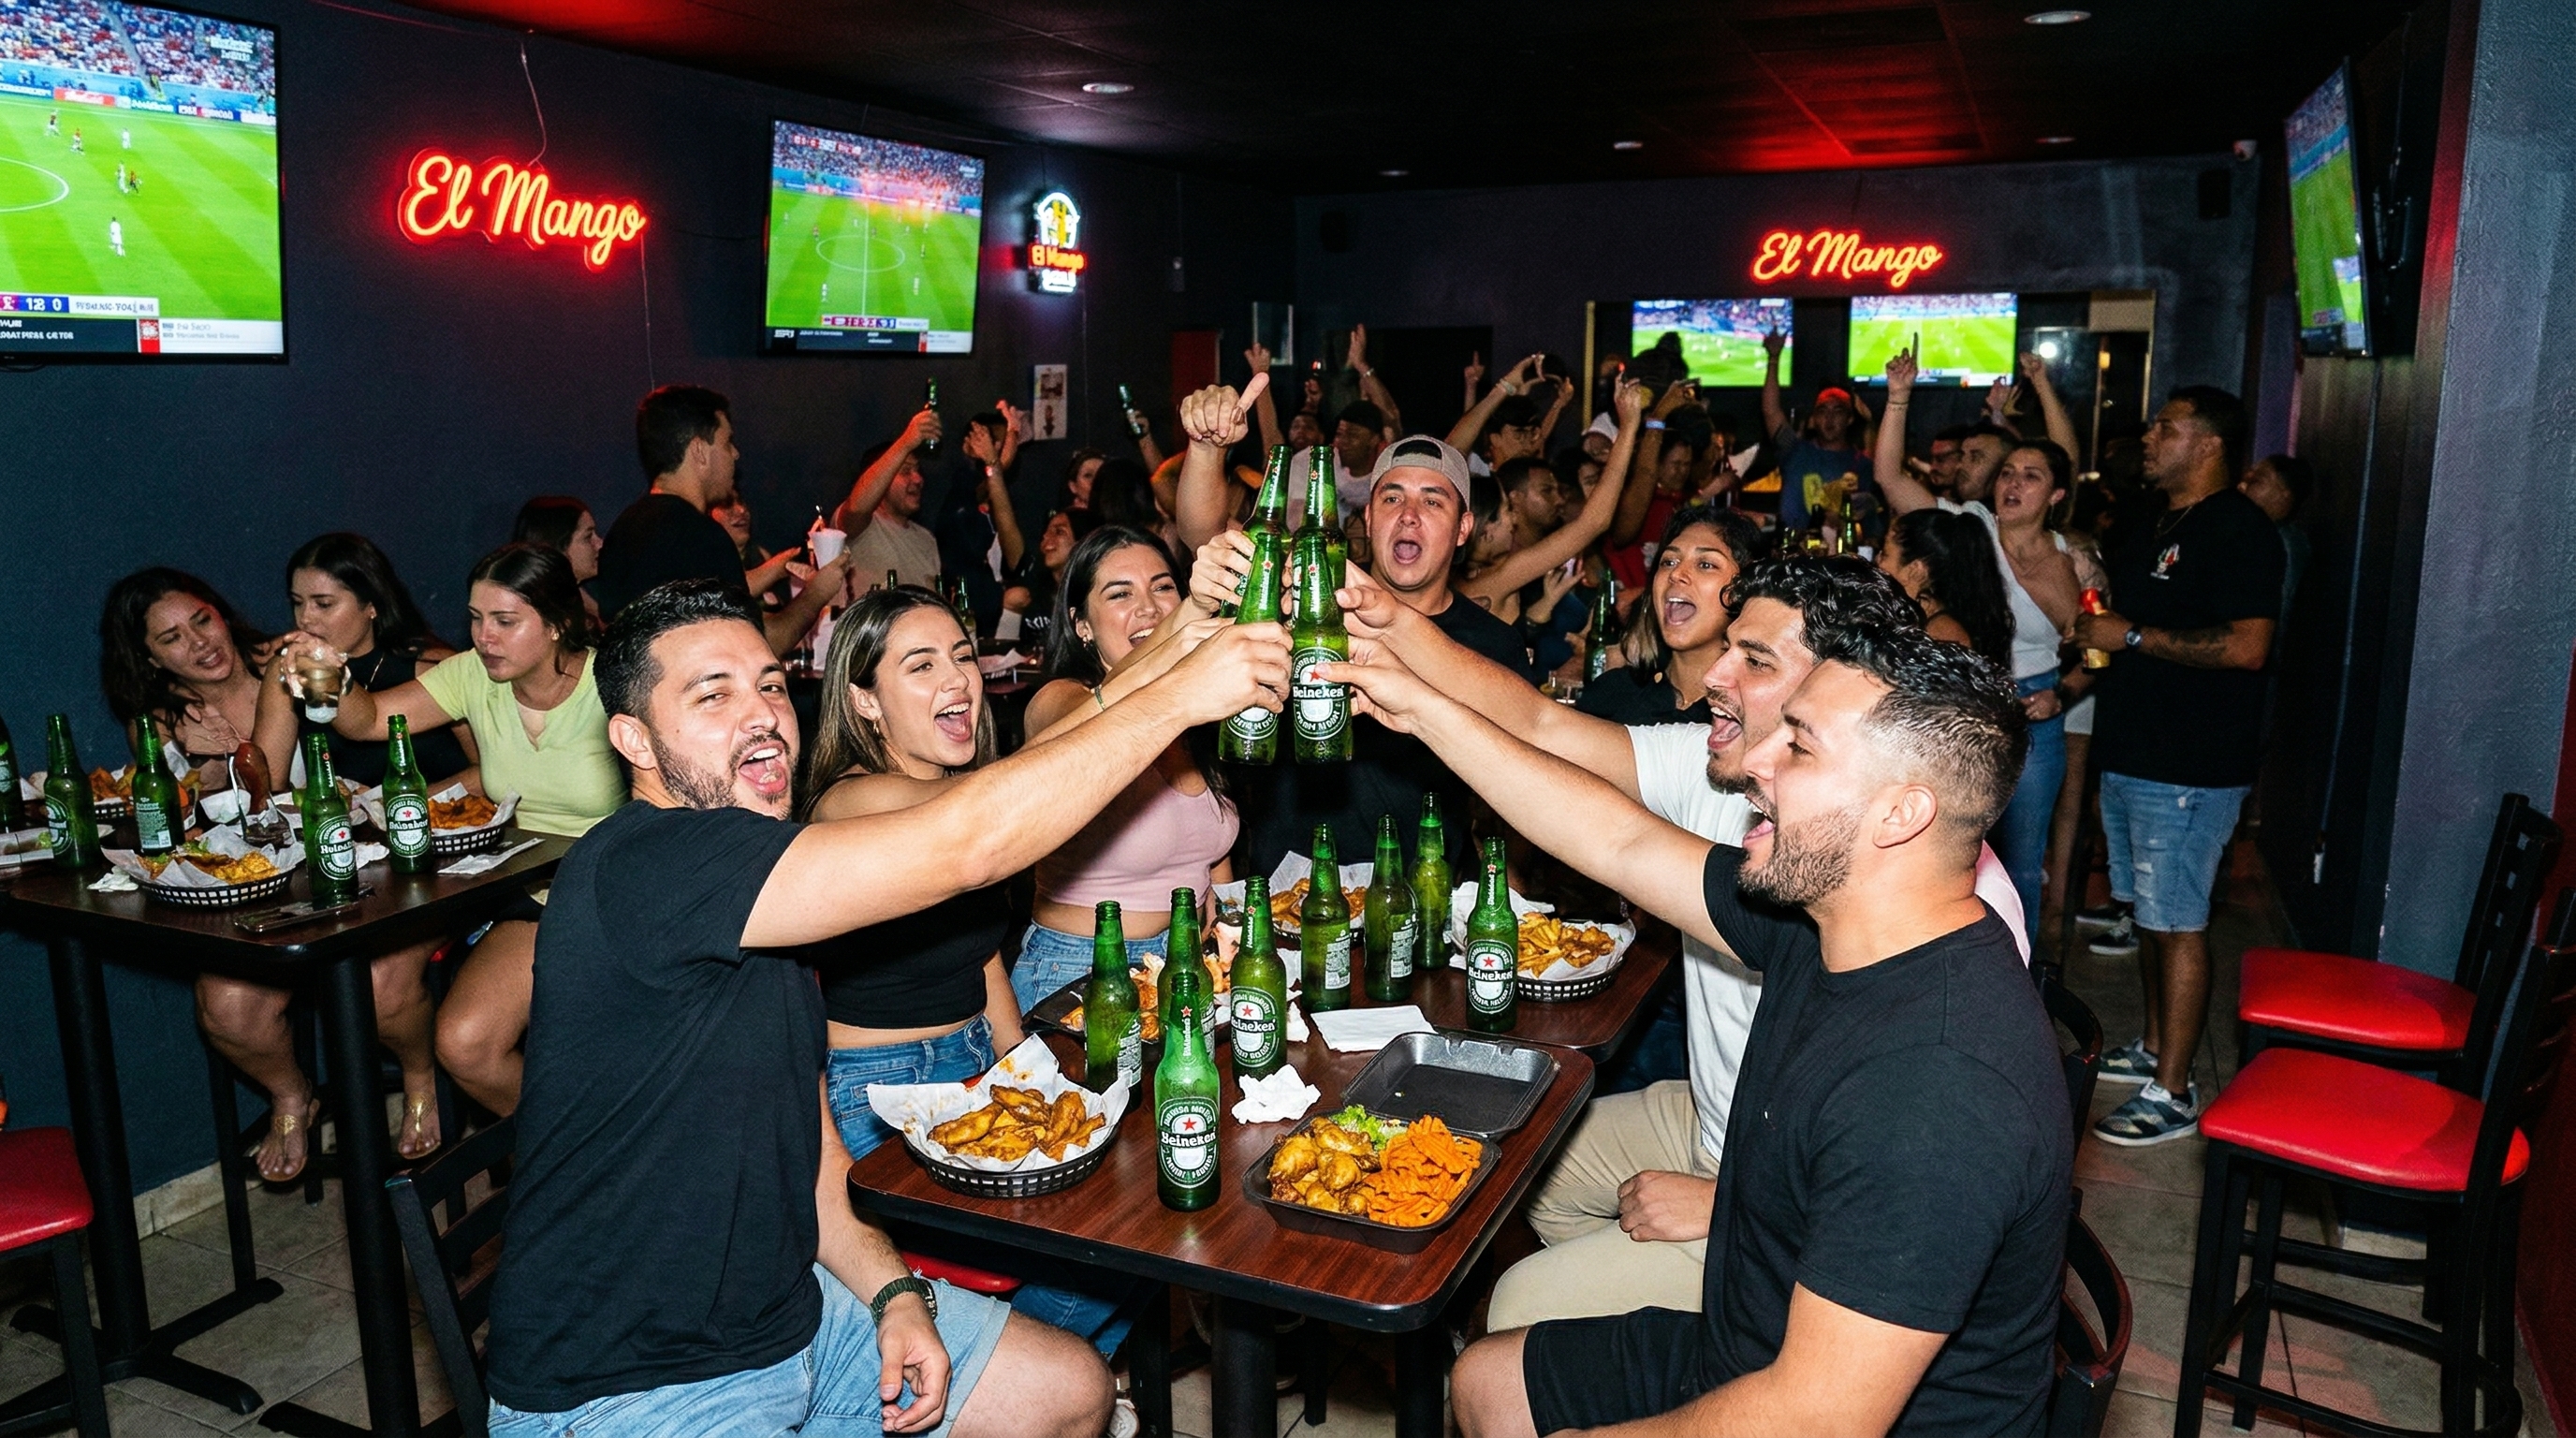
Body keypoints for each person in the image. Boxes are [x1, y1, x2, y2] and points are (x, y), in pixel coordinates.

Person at [480, 580, 1287, 1438]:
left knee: (1066, 1389)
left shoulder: (765, 875)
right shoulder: (653, 861)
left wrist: (893, 1292)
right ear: (632, 738)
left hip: (793, 1316)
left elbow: (805, 1135)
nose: (760, 714)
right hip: (631, 1384)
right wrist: (1174, 700)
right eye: (712, 695)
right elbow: (968, 842)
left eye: (768, 684)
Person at [1325, 603, 2066, 1436]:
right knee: (1488, 1380)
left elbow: (1814, 1418)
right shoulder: (1834, 921)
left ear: (1902, 814)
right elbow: (1621, 844)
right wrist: (1424, 711)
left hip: (1820, 1409)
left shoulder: (1937, 1087)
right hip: (1747, 1343)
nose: (1757, 762)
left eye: (1801, 747)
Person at [97, 570, 413, 1179]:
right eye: (171, 638)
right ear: (148, 657)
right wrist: (204, 771)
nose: (199, 643)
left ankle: (420, 1079)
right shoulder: (160, 720)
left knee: (378, 984)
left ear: (221, 612)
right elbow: (180, 821)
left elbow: (349, 735)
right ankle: (293, 1094)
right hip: (262, 891)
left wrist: (229, 758)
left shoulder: (285, 659)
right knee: (225, 1006)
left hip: (354, 868)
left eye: (201, 620)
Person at [310, 545, 628, 1116]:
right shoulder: (471, 675)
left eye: (505, 621)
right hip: (526, 890)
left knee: (606, 1044)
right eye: (477, 619)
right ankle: (569, 1151)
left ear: (557, 625)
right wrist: (329, 676)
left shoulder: (614, 682)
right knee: (465, 1045)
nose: (484, 637)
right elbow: (368, 721)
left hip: (617, 892)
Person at [1177, 384, 1529, 871]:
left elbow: (1529, 769)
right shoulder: (1304, 600)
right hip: (1291, 891)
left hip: (1424, 899)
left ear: (1464, 528)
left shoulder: (1491, 643)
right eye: (1391, 498)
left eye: (1432, 502)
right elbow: (1205, 534)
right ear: (1367, 515)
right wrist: (1206, 448)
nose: (1408, 516)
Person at [2071, 387, 2282, 1145]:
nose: (2150, 435)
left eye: (2167, 427)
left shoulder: (2240, 529)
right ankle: (2157, 1044)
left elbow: (2250, 645)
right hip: (2136, 752)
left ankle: (2175, 1091)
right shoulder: (2156, 522)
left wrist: (2131, 638)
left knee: (2180, 922)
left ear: (2209, 444)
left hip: (2193, 765)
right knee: (2151, 920)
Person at [1878, 346, 2092, 936]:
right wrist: (1899, 397)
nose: (2011, 483)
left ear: (2054, 496)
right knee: (1953, 855)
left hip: (2035, 712)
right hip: (1964, 704)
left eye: (2030, 476)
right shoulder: (1970, 525)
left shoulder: (2069, 565)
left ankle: (2016, 981)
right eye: (2007, 473)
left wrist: (2063, 695)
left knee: (2021, 862)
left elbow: (2097, 650)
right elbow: (1891, 480)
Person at [1014, 527, 1242, 1006]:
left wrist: (1228, 931)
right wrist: (1189, 616)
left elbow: (1210, 852)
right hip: (1081, 970)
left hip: (1187, 966)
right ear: (1081, 625)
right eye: (1121, 593)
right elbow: (1095, 712)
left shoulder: (1195, 709)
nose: (1149, 607)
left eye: (1163, 588)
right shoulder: (1059, 701)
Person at [593, 385, 852, 651]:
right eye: (727, 442)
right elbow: (763, 643)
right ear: (699, 451)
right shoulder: (701, 536)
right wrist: (818, 592)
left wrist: (776, 568)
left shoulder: (622, 531)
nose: (736, 454)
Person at [1574, 506, 1764, 726]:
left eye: (1705, 564)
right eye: (1668, 562)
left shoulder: (1756, 713)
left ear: (1744, 589)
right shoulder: (1612, 695)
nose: (1675, 574)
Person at [1760, 330, 1870, 532]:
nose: (1829, 418)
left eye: (1838, 411)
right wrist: (1773, 359)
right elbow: (1771, 411)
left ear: (1850, 419)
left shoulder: (1862, 463)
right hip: (1792, 554)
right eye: (1822, 411)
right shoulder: (1794, 452)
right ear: (1813, 418)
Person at [1876, 507, 2014, 667]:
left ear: (1915, 570)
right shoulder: (1912, 619)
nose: (1877, 561)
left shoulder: (1944, 638)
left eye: (1885, 554)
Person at [932, 405, 1030, 628]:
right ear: (968, 445)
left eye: (997, 443)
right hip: (967, 613)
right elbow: (993, 474)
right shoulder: (956, 489)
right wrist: (1013, 432)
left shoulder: (1009, 504)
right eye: (989, 441)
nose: (994, 449)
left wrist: (1012, 432)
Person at [840, 409, 952, 593]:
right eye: (906, 471)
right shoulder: (862, 528)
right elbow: (855, 509)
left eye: (917, 470)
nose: (918, 479)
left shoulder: (926, 539)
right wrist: (906, 442)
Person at [999, 506, 1096, 649]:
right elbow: (1003, 654)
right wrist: (1011, 611)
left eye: (1059, 532)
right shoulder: (1031, 592)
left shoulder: (1094, 595)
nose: (1046, 538)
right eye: (1046, 533)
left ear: (1083, 542)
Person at [2238, 452, 2316, 623]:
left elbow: (2277, 615)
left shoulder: (2285, 545)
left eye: (2256, 481)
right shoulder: (2249, 536)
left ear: (2284, 494)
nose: (2242, 487)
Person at [512, 496, 606, 630]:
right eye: (588, 537)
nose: (600, 544)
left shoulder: (579, 600)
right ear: (557, 547)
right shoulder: (543, 614)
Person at [711, 497, 798, 611]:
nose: (742, 510)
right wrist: (775, 568)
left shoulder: (761, 556)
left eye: (742, 502)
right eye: (727, 504)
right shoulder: (703, 563)